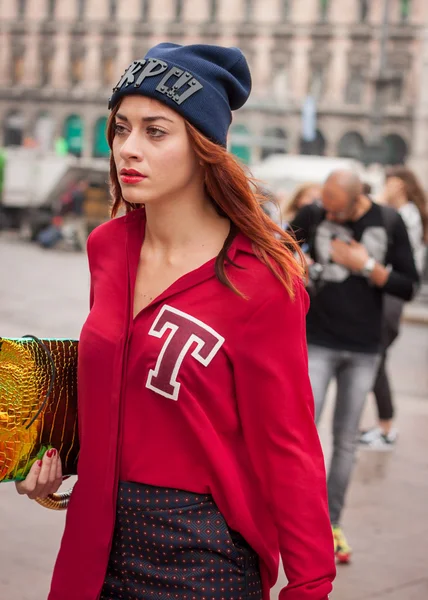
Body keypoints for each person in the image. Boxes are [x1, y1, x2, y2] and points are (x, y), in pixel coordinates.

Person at [16, 43, 335, 599]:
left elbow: (290, 444)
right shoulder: (108, 247)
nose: (127, 149)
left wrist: (310, 584)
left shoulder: (261, 280)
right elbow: (120, 390)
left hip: (201, 554)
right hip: (95, 538)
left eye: (155, 131)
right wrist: (59, 456)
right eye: (120, 128)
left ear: (202, 145)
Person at [291, 169, 419, 564]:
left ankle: (330, 523)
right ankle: (293, 517)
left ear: (355, 200)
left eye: (334, 209)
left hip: (364, 347)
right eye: (323, 206)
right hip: (317, 341)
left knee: (345, 441)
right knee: (300, 431)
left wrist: (366, 267)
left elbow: (408, 284)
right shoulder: (316, 213)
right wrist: (302, 260)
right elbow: (278, 245)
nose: (326, 214)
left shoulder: (389, 221)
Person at [360, 166, 428, 449]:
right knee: (377, 358)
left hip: (392, 293)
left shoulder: (406, 215)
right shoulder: (409, 213)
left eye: (389, 182)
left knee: (375, 357)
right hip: (390, 293)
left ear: (399, 185)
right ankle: (384, 425)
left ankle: (386, 428)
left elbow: (395, 254)